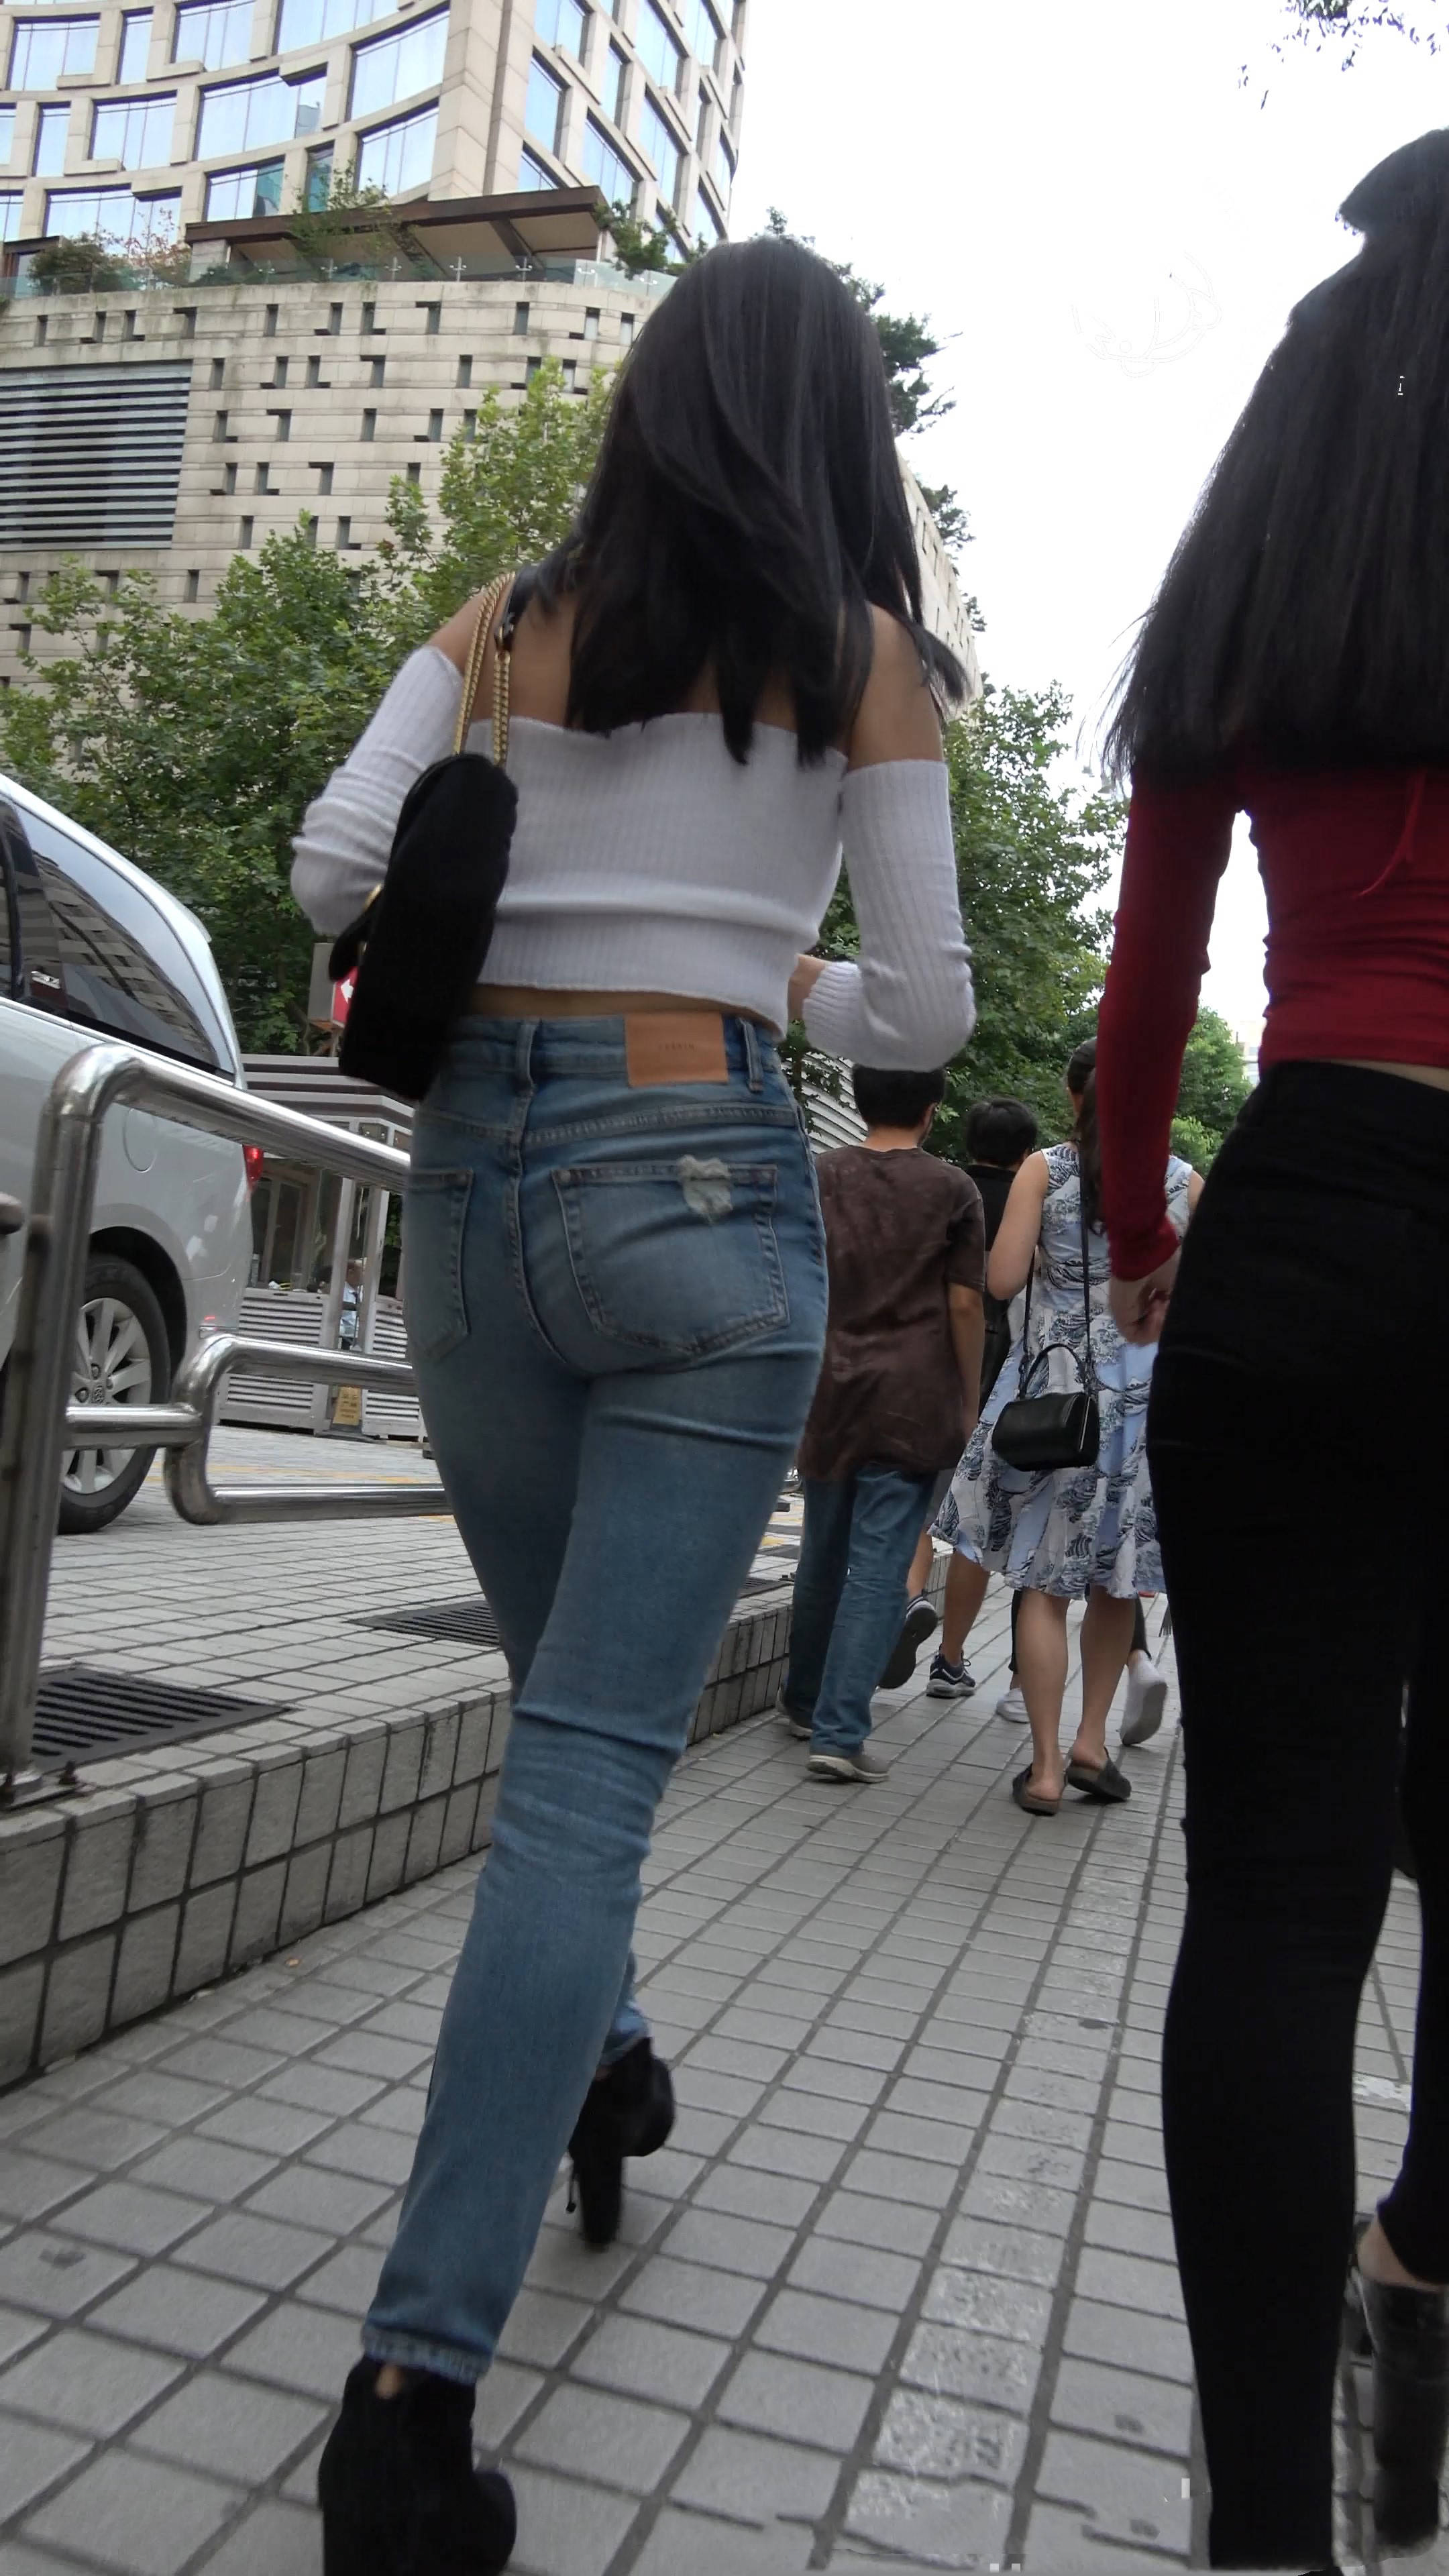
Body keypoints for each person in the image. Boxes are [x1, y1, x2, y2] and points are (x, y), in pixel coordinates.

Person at [289, 233, 975, 2576]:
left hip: (477, 1192)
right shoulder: (863, 660)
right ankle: (407, 2404)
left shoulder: (505, 623)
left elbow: (331, 866)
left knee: (555, 1731)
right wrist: (769, 956)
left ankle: (602, 2061)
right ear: (838, 432)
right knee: (586, 1776)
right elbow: (919, 1018)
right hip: (702, 1181)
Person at [1096, 131, 1449, 2572]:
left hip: (1307, 1215)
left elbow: (1148, 990)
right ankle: (1421, 2254)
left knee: (1281, 1896)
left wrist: (1139, 1231)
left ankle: (1263, 2546)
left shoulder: (1272, 557)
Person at [938, 1038, 1199, 1815]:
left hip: (1055, 1402)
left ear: (1073, 1095)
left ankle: (1047, 1769)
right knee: (1117, 1583)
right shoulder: (1184, 1183)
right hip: (1142, 1405)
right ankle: (1092, 1744)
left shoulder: (1043, 1171)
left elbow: (1001, 1279)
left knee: (1043, 1586)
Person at [777, 1063, 985, 1782]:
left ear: (861, 1100)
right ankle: (839, 1733)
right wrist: (967, 1396)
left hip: (830, 1388)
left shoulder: (819, 1175)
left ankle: (802, 1703)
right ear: (931, 1110)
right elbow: (965, 1304)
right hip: (911, 1396)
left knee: (821, 1554)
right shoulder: (952, 1189)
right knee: (878, 1569)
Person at [912, 1094, 1039, 1703]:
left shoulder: (942, 1189)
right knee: (979, 1522)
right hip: (1007, 1374)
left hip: (926, 1358)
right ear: (1025, 1151)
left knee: (914, 1495)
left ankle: (909, 1601)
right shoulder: (1032, 1201)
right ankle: (956, 1660)